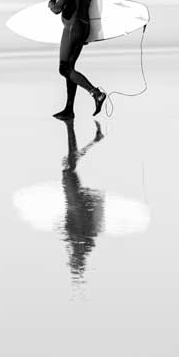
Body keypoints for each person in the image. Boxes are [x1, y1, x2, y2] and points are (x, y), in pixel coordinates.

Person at [48, 0, 106, 120]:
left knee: (64, 68)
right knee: (70, 68)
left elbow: (57, 8)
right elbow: (93, 8)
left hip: (72, 28)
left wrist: (51, 4)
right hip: (84, 28)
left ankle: (96, 93)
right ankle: (69, 109)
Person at [60, 119, 106, 284]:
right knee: (68, 168)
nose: (72, 258)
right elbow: (88, 222)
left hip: (74, 201)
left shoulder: (79, 243)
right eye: (74, 261)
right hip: (76, 201)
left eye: (72, 261)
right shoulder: (84, 243)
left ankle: (93, 138)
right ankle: (93, 138)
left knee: (67, 168)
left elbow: (72, 222)